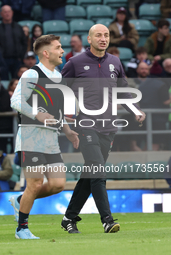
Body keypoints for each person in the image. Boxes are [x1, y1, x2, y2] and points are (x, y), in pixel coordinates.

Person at [60, 24, 146, 234]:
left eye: (106, 35)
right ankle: (107, 220)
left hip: (109, 127)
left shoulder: (115, 62)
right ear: (89, 39)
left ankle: (69, 218)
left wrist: (135, 109)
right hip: (86, 125)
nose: (103, 38)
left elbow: (123, 91)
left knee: (90, 174)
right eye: (98, 35)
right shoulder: (75, 63)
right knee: (98, 170)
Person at [9, 34, 79, 239]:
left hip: (51, 139)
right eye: (58, 48)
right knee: (35, 183)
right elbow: (16, 100)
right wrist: (37, 114)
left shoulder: (59, 77)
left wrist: (67, 130)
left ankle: (20, 200)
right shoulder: (32, 74)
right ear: (46, 53)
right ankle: (22, 228)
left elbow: (57, 112)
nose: (62, 51)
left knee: (58, 184)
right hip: (31, 136)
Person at [139, 64, 171, 150]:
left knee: (147, 142)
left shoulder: (142, 85)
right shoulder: (161, 85)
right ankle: (148, 163)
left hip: (144, 117)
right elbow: (165, 102)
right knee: (155, 143)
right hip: (158, 119)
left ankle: (143, 162)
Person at [0, 5, 27, 78]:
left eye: (9, 12)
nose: (7, 14)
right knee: (3, 79)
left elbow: (24, 43)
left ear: (12, 13)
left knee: (17, 81)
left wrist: (21, 56)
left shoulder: (18, 27)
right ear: (1, 14)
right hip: (3, 60)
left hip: (17, 59)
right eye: (5, 12)